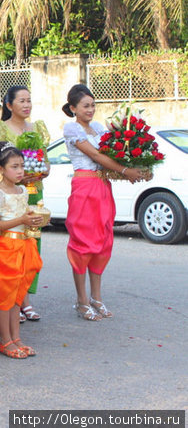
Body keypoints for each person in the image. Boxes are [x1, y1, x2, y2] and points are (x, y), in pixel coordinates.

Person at [62, 84, 142, 320]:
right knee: (83, 242)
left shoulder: (97, 127)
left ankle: (97, 298)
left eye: (93, 105)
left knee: (103, 241)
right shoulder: (71, 129)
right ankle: (82, 300)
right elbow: (96, 156)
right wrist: (126, 170)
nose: (91, 110)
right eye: (85, 106)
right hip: (84, 187)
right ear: (73, 108)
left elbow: (111, 153)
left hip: (102, 187)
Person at [0, 86, 49, 323]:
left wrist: (40, 172)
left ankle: (25, 297)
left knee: (32, 243)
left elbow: (45, 160)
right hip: (10, 190)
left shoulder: (37, 128)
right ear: (9, 105)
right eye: (21, 100)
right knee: (12, 242)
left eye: (29, 100)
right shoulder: (1, 129)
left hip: (32, 189)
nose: (27, 105)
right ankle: (14, 301)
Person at [0, 142, 43, 359]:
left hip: (24, 244)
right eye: (14, 167)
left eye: (21, 166)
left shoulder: (22, 190)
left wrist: (34, 220)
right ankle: (5, 341)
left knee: (17, 297)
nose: (20, 171)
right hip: (6, 247)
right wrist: (21, 219)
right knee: (5, 297)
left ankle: (16, 338)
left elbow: (24, 217)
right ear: (1, 169)